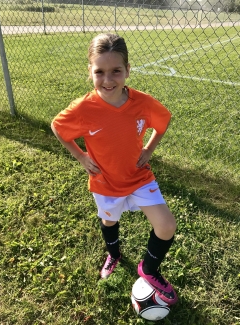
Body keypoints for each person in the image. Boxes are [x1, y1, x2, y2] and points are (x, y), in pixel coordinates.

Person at [51, 33, 177, 305]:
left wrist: (149, 149)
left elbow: (163, 122)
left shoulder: (142, 103)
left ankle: (149, 269)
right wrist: (81, 156)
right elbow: (58, 128)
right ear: (90, 72)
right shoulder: (84, 108)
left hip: (139, 177)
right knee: (109, 221)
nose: (108, 80)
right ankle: (114, 254)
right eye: (100, 72)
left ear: (128, 70)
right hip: (105, 182)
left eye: (116, 71)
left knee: (166, 226)